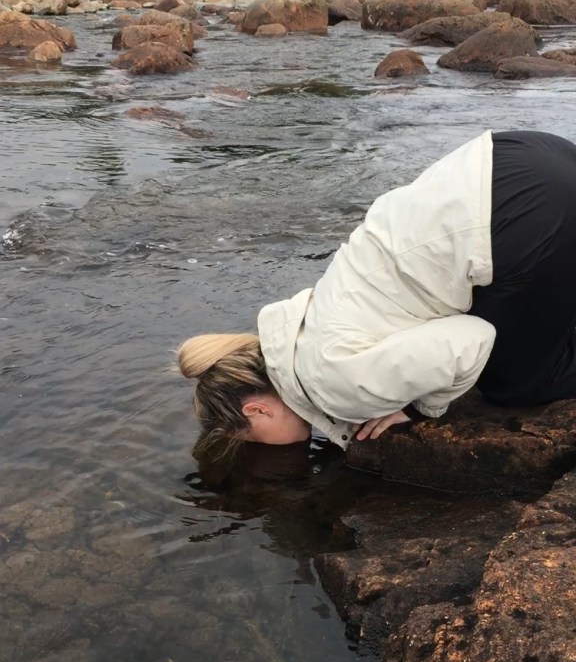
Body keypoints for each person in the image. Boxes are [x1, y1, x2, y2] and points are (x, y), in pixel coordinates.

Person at [178, 130, 576, 450]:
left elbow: (474, 339)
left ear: (256, 411)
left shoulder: (334, 390)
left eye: (250, 441)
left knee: (512, 386)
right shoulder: (301, 329)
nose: (264, 449)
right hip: (508, 155)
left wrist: (425, 408)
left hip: (530, 216)